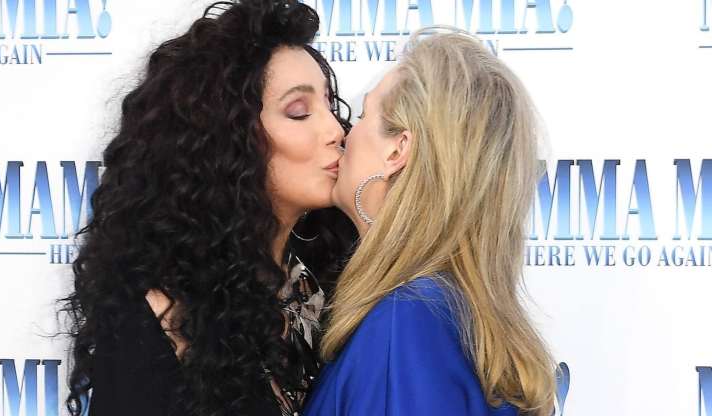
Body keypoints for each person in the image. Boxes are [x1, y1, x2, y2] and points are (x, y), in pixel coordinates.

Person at [60, 1, 356, 415]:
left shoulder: (325, 283)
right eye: (300, 112)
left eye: (329, 106)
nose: (336, 130)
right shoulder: (161, 320)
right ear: (227, 141)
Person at [304, 29, 556, 416]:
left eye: (362, 115)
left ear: (398, 149)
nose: (343, 133)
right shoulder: (445, 308)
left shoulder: (406, 321)